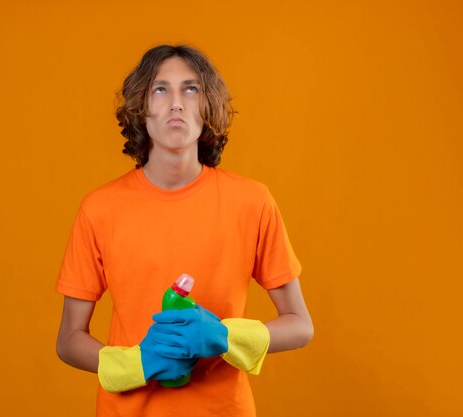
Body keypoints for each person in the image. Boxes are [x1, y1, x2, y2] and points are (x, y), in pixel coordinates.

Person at [55, 44, 313, 417]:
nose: (176, 102)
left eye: (190, 89)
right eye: (161, 89)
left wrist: (225, 336)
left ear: (206, 108)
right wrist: (137, 363)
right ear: (142, 110)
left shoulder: (252, 202)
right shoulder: (99, 208)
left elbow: (300, 325)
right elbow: (68, 340)